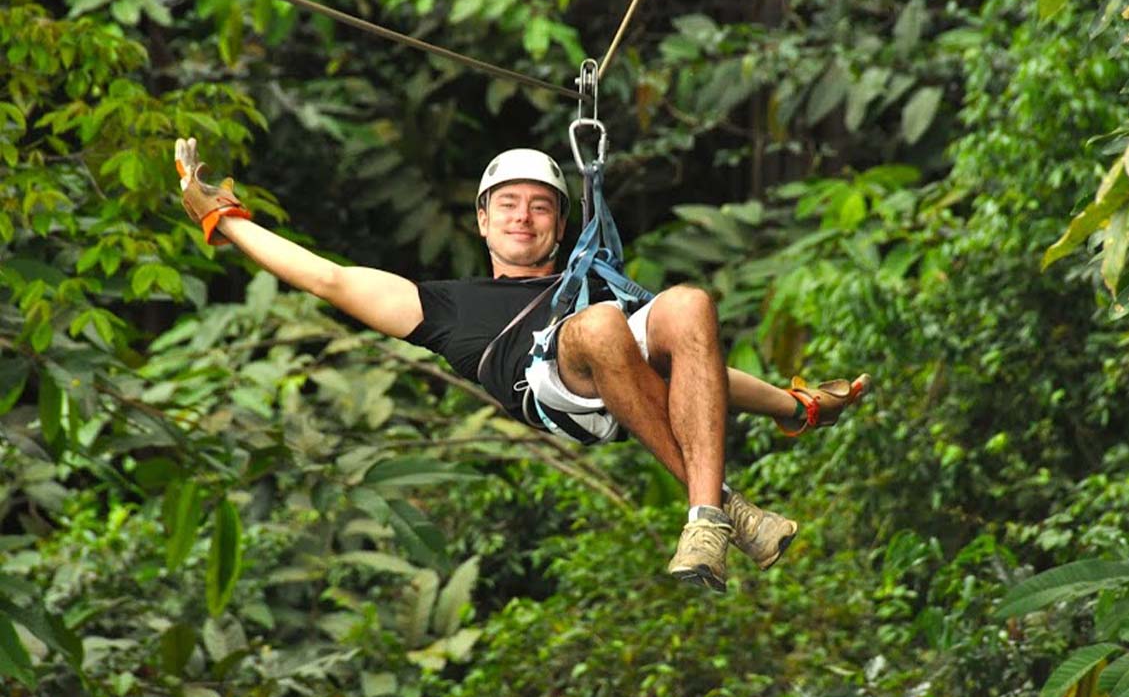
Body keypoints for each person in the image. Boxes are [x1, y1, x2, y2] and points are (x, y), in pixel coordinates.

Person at [174, 137, 870, 593]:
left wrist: (795, 405)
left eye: (540, 208)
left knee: (688, 303)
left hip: (620, 367)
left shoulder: (594, 283)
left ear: (559, 229)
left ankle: (711, 516)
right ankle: (720, 509)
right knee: (599, 324)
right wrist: (225, 218)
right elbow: (327, 279)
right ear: (481, 220)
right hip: (549, 387)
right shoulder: (443, 305)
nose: (523, 218)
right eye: (507, 206)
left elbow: (698, 371)